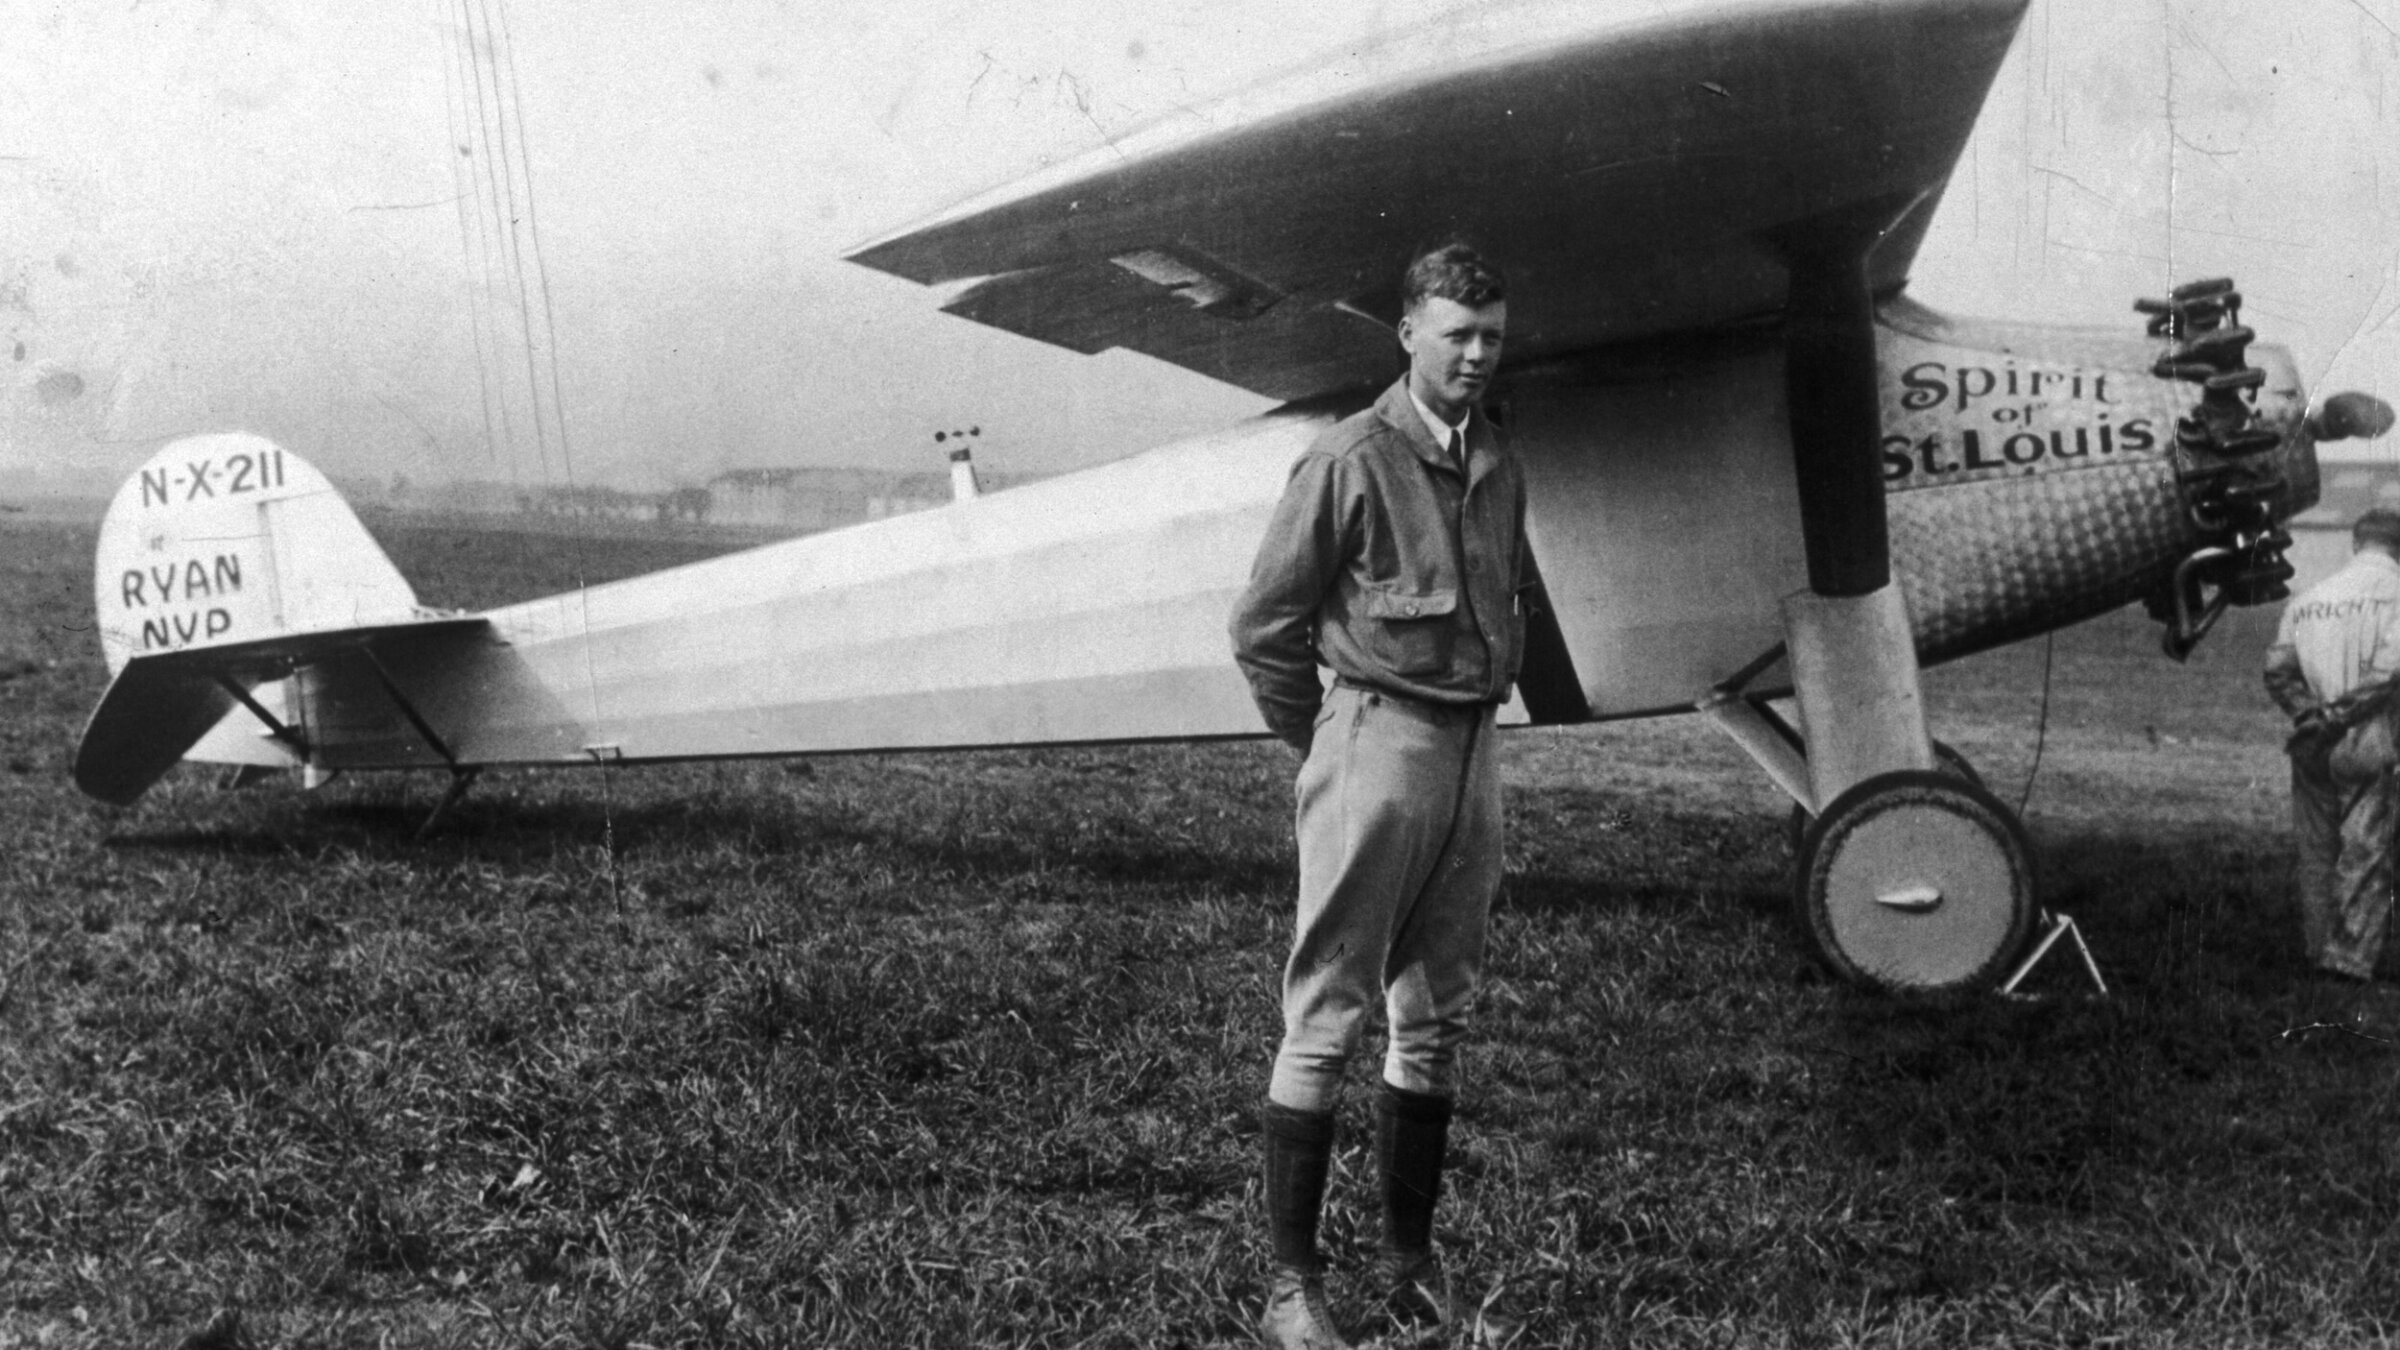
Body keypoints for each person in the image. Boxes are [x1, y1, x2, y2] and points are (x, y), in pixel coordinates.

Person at [1228, 242, 1529, 1350]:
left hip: (1471, 754)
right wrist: (1330, 748)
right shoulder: (1348, 458)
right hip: (1376, 745)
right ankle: (1292, 1290)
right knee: (1329, 1013)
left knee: (1435, 1016)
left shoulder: (1497, 454)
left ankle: (1410, 1269)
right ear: (1408, 335)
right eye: (1457, 335)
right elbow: (1264, 626)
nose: (1477, 356)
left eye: (1492, 336)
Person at [2265, 506, 2400, 992]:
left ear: (2356, 543)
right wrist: (2339, 717)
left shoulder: (2311, 596)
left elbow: (2278, 671)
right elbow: (2388, 674)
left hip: (2312, 742)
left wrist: (2309, 716)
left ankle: (2316, 948)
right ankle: (2346, 962)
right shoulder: (2395, 595)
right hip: (2369, 738)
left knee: (2317, 850)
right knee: (2365, 852)